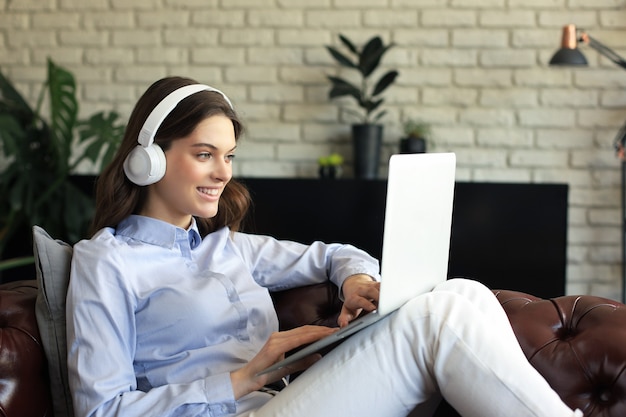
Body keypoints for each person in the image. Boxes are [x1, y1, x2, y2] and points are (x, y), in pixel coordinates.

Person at [66, 76, 583, 417]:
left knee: (465, 292)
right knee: (440, 317)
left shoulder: (230, 248)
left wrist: (356, 279)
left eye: (229, 155)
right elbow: (99, 409)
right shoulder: (107, 261)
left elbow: (334, 253)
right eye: (205, 154)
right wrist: (241, 380)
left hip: (286, 401)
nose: (223, 172)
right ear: (149, 160)